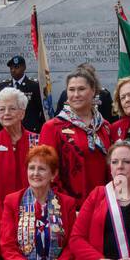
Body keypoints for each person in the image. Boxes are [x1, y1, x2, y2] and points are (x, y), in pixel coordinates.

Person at [40, 69, 112, 204]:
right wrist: (63, 204)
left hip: (104, 203)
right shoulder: (53, 127)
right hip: (70, 206)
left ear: (94, 91)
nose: (76, 94)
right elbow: (46, 170)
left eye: (81, 89)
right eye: (71, 90)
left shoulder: (105, 127)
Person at [0, 87, 42, 200]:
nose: (6, 113)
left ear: (22, 113)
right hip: (1, 210)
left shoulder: (38, 141)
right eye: (2, 109)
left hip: (32, 209)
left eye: (12, 108)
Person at [0, 55, 46, 132]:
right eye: (11, 68)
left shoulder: (34, 86)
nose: (13, 70)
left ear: (24, 67)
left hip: (30, 130)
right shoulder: (3, 86)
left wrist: (38, 127)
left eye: (16, 67)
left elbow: (43, 110)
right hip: (9, 129)